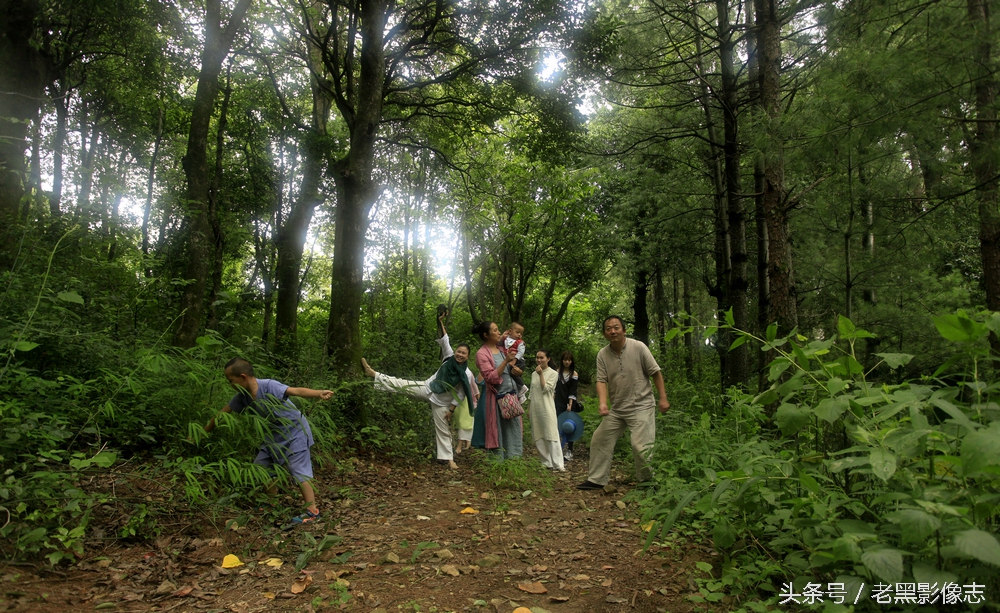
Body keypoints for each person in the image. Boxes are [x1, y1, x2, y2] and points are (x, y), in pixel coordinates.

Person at [202, 358, 334, 525]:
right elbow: (222, 414)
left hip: (295, 432)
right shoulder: (242, 396)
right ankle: (272, 503)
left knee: (298, 470)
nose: (230, 384)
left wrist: (319, 393)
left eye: (231, 380)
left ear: (243, 377)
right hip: (273, 438)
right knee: (262, 467)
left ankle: (312, 511)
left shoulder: (269, 386)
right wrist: (202, 433)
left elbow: (295, 391)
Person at [577, 316, 670, 490]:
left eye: (616, 327)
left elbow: (655, 373)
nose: (613, 331)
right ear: (604, 334)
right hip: (618, 408)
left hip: (642, 405)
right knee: (600, 438)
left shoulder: (639, 347)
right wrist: (603, 403)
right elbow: (601, 380)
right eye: (608, 329)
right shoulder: (602, 354)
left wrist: (663, 397)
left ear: (624, 330)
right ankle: (596, 480)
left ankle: (647, 482)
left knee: (640, 446)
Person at [361, 346, 477, 470]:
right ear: (455, 352)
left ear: (467, 356)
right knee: (402, 384)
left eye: (463, 353)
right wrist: (440, 331)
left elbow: (460, 393)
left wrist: (451, 410)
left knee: (443, 430)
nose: (460, 355)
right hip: (428, 388)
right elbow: (444, 340)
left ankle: (449, 460)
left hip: (442, 402)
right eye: (458, 351)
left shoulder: (467, 374)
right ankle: (374, 374)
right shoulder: (448, 358)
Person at [470, 321, 523, 460]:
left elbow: (506, 371)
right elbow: (490, 378)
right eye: (495, 330)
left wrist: (515, 371)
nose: (499, 332)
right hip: (496, 400)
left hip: (510, 399)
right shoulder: (482, 354)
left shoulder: (501, 349)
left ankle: (513, 463)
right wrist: (505, 361)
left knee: (512, 431)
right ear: (486, 335)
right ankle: (498, 466)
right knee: (498, 432)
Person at [529, 349, 564, 471]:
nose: (539, 360)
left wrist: (541, 375)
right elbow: (532, 392)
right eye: (537, 357)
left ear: (548, 359)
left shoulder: (553, 373)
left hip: (547, 407)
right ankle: (546, 461)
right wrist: (529, 408)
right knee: (538, 434)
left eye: (542, 357)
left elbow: (546, 389)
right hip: (535, 407)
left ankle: (558, 464)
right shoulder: (533, 374)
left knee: (551, 434)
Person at [554, 350, 580, 461]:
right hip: (558, 402)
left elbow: (573, 391)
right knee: (558, 425)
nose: (567, 362)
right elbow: (555, 389)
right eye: (565, 360)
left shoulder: (574, 374)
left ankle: (569, 450)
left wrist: (570, 404)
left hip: (569, 403)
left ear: (572, 361)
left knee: (570, 426)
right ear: (562, 360)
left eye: (569, 360)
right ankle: (558, 449)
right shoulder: (557, 372)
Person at [500, 322, 527, 403]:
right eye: (517, 332)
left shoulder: (520, 342)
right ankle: (520, 393)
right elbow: (498, 343)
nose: (519, 335)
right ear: (510, 331)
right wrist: (502, 337)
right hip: (511, 360)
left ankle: (522, 387)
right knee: (511, 374)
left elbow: (521, 352)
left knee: (513, 373)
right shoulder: (506, 339)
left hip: (519, 361)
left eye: (521, 333)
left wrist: (514, 360)